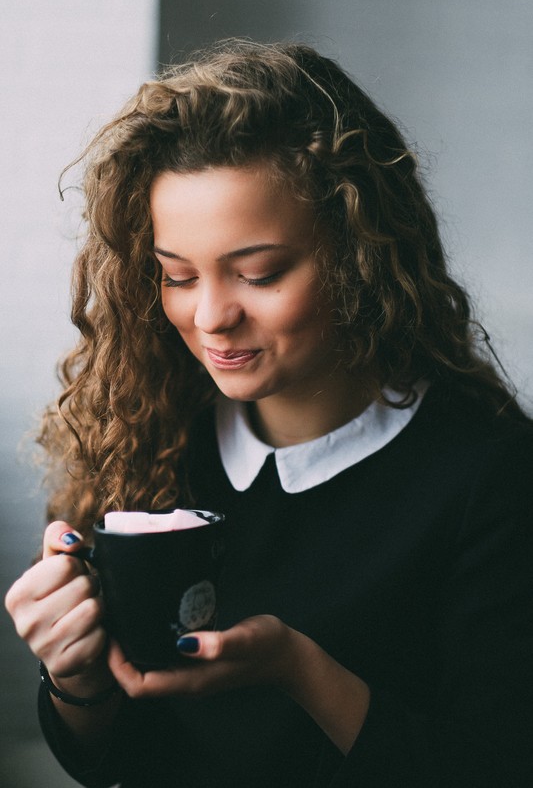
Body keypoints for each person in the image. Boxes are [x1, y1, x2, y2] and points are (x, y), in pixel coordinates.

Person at [5, 40, 533, 787]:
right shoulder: (153, 438)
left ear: (359, 253)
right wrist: (76, 678)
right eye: (177, 276)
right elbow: (120, 759)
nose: (212, 315)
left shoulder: (488, 474)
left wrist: (299, 671)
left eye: (259, 272)